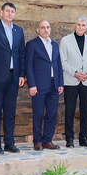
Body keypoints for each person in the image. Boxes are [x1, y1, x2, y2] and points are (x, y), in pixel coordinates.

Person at [0, 2, 26, 154]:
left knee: (10, 111)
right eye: (7, 11)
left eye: (12, 11)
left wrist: (22, 74)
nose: (9, 13)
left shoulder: (18, 31)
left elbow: (21, 54)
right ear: (1, 13)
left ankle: (9, 142)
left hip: (14, 77)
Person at [59, 16, 87, 148]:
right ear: (74, 25)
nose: (81, 27)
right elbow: (62, 61)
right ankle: (69, 138)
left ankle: (83, 137)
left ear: (86, 27)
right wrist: (75, 72)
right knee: (69, 110)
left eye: (83, 25)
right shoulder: (65, 41)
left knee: (85, 111)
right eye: (78, 24)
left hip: (86, 81)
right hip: (71, 80)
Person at [25, 19, 64, 150]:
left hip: (54, 84)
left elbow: (58, 65)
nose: (45, 30)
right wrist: (32, 84)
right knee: (38, 113)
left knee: (52, 113)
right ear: (38, 30)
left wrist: (60, 83)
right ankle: (37, 141)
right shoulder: (32, 44)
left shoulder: (54, 44)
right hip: (39, 85)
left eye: (47, 27)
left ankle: (47, 140)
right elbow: (28, 66)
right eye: (43, 27)